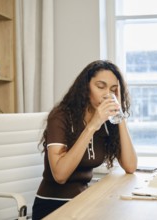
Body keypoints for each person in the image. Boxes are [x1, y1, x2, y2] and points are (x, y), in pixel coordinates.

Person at [32, 60, 138, 219]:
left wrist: (119, 113)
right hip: (54, 206)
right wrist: (92, 125)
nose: (107, 94)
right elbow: (60, 175)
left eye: (113, 90)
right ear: (85, 87)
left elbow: (130, 166)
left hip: (84, 202)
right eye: (100, 87)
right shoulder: (61, 116)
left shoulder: (108, 120)